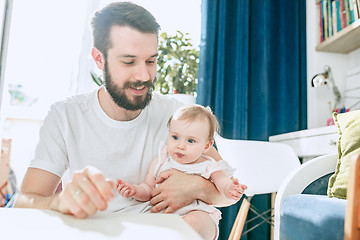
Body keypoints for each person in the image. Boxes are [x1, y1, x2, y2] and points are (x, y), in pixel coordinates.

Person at [14, 2, 232, 220]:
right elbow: (23, 202)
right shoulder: (65, 116)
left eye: (151, 61)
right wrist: (58, 202)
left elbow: (229, 195)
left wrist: (197, 187)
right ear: (99, 59)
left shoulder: (177, 115)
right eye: (129, 62)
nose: (144, 76)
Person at [116, 104, 247, 240]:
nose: (180, 146)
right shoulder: (162, 160)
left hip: (197, 214)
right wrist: (134, 190)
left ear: (206, 146)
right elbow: (149, 190)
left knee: (194, 222)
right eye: (175, 137)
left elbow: (223, 184)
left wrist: (231, 189)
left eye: (190, 141)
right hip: (164, 218)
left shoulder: (208, 165)